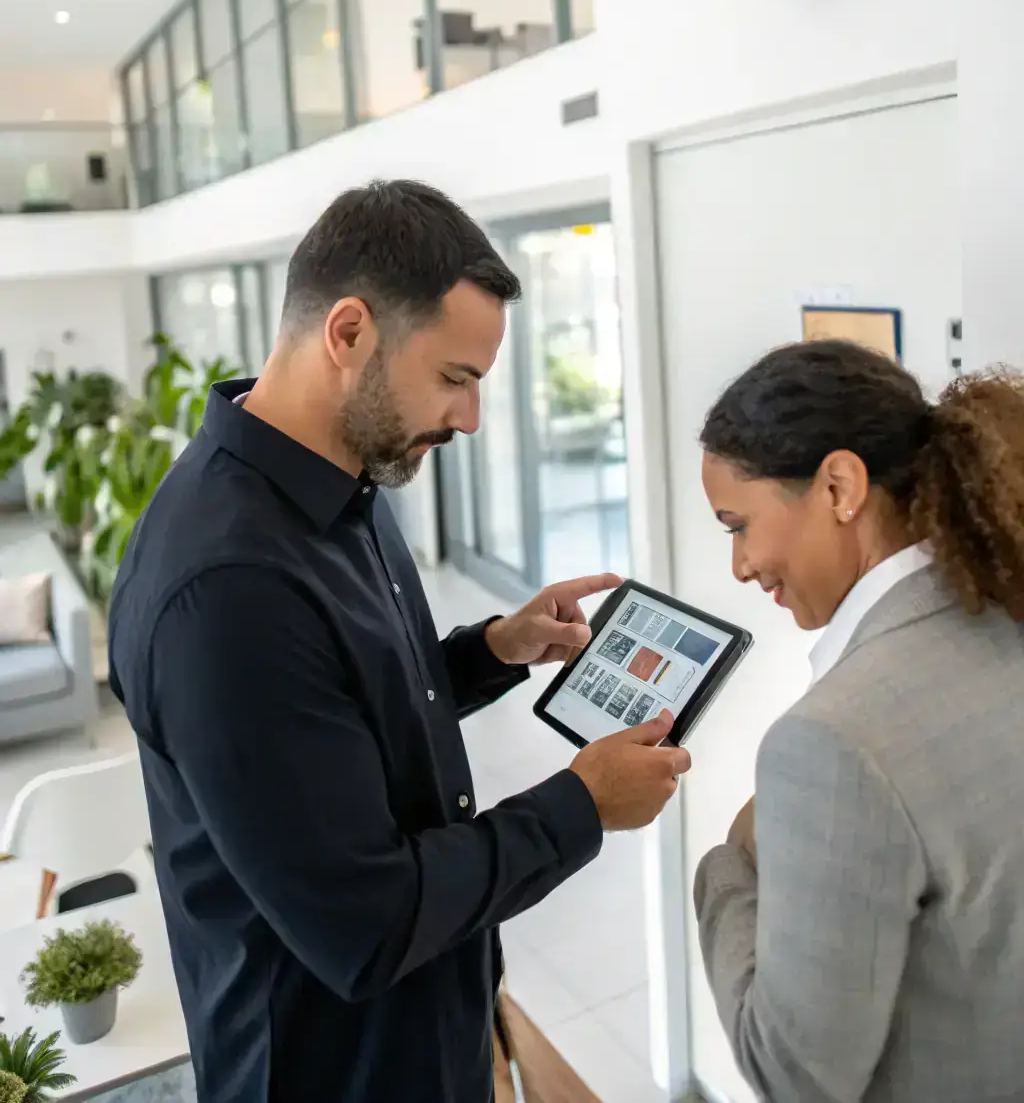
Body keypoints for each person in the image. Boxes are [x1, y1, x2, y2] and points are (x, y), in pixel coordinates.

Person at [108, 180, 690, 1103]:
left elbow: (349, 704)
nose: (469, 419)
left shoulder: (343, 486)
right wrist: (583, 802)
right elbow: (367, 920)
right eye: (455, 378)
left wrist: (493, 648)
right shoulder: (225, 590)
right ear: (348, 333)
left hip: (424, 1034)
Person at [693, 339, 1024, 1103]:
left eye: (737, 525)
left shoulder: (832, 742)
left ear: (839, 485)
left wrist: (728, 862)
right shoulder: (1006, 613)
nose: (740, 566)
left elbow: (796, 1073)